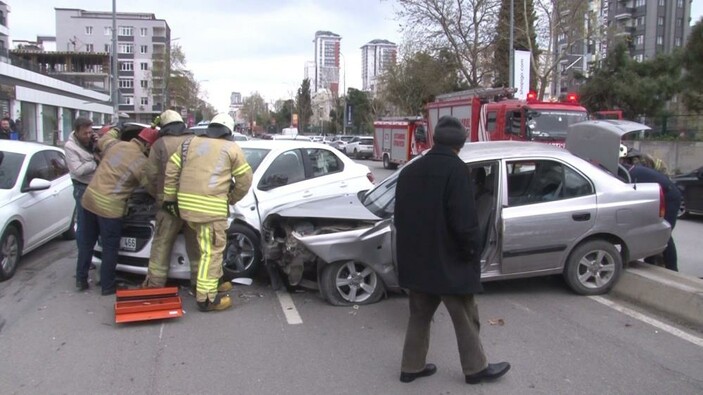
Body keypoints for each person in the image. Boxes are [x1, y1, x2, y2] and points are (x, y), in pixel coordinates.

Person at [394, 115, 510, 385]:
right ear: (461, 144)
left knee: (419, 316)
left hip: (417, 261)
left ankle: (411, 367)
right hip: (449, 263)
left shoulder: (410, 170)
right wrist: (471, 253)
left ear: (435, 139)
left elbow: (400, 218)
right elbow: (464, 223)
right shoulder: (457, 170)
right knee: (466, 317)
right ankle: (476, 369)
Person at [163, 113, 252, 312]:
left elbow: (171, 170)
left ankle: (217, 282)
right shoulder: (231, 148)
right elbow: (245, 180)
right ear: (228, 132)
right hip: (211, 212)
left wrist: (170, 199)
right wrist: (232, 198)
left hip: (187, 209)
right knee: (211, 253)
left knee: (206, 248)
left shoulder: (188, 144)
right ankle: (206, 298)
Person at [77, 127, 160, 294]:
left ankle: (81, 279)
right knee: (110, 247)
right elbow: (151, 189)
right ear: (148, 146)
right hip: (109, 208)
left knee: (87, 242)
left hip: (89, 200)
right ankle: (107, 286)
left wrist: (117, 128)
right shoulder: (141, 162)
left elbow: (103, 138)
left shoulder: (115, 145)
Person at [141, 110, 201, 290]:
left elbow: (150, 175)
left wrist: (157, 194)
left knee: (162, 244)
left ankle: (155, 285)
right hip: (192, 202)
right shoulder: (195, 142)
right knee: (196, 245)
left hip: (168, 205)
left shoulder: (159, 144)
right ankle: (199, 283)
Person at [620, 145, 681, 271]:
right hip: (656, 194)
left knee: (664, 232)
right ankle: (651, 261)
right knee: (649, 230)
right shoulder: (627, 169)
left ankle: (672, 268)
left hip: (668, 196)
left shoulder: (628, 172)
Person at [64, 117, 99, 248]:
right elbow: (77, 170)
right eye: (85, 133)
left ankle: (93, 251)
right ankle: (84, 256)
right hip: (82, 187)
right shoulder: (70, 147)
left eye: (90, 132)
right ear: (76, 132)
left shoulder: (92, 140)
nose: (88, 135)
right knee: (84, 225)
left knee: (95, 223)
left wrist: (98, 143)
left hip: (95, 185)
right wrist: (94, 162)